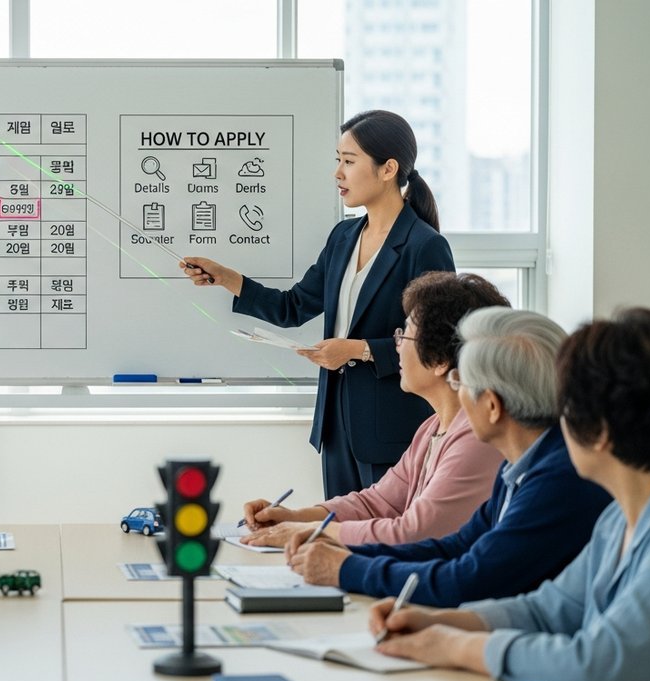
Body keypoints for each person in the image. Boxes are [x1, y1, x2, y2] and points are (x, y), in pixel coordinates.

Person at [371, 308, 650, 681]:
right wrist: (444, 623)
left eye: (567, 408)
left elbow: (597, 665)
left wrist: (455, 646)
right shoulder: (620, 517)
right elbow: (547, 609)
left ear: (598, 432)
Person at [182, 110, 455, 498]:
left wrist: (358, 351)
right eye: (337, 161)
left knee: (382, 543)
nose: (337, 173)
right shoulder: (343, 236)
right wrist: (227, 278)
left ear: (388, 168)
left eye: (349, 161)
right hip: (336, 427)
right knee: (339, 537)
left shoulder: (424, 246)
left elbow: (437, 345)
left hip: (392, 431)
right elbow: (292, 307)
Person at [285, 308, 611, 606]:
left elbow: (470, 578)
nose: (457, 395)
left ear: (493, 406)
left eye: (460, 382)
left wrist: (346, 568)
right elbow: (456, 546)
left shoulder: (557, 478)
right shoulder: (520, 465)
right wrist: (347, 554)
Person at [240, 272, 507, 549]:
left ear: (440, 360)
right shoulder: (434, 427)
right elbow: (377, 502)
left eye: (405, 336)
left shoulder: (477, 437)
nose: (397, 346)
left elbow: (413, 533)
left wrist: (313, 532)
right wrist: (294, 518)